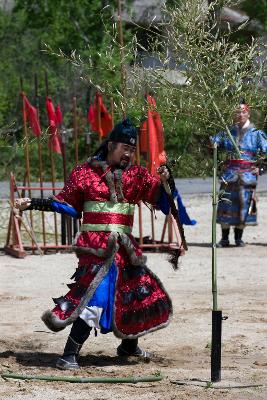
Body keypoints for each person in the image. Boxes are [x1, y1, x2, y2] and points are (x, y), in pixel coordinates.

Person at [15, 118, 176, 370]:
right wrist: (36, 202)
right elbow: (68, 205)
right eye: (125, 148)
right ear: (111, 145)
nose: (129, 154)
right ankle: (68, 354)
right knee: (96, 297)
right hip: (96, 249)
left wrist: (168, 182)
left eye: (133, 150)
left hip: (125, 250)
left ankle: (128, 346)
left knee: (132, 295)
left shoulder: (137, 176)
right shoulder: (85, 173)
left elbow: (164, 203)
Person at [212, 101, 267, 247]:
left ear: (248, 113)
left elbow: (266, 152)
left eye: (243, 111)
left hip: (248, 175)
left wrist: (261, 169)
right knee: (226, 205)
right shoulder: (228, 131)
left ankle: (238, 238)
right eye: (237, 112)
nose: (240, 114)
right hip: (230, 175)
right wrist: (213, 144)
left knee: (244, 205)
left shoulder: (257, 133)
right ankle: (224, 238)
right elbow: (215, 142)